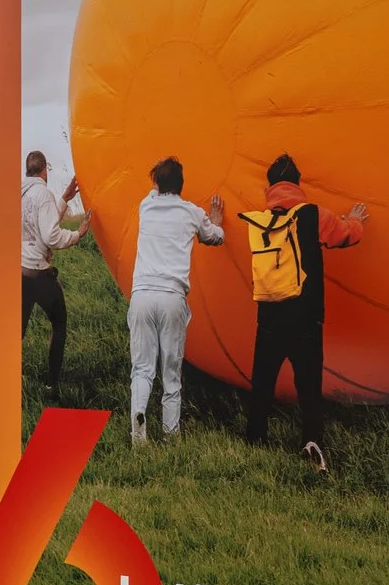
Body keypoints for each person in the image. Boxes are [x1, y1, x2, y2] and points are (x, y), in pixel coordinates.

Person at [239, 154, 366, 472]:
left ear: (270, 188)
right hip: (305, 314)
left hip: (268, 313)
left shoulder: (261, 222)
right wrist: (355, 219)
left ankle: (255, 438)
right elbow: (345, 236)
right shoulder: (311, 214)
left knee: (263, 380)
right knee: (308, 383)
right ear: (297, 183)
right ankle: (311, 441)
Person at [127, 156, 226, 443]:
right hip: (172, 296)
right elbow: (215, 238)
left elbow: (154, 187)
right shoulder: (191, 213)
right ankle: (171, 435)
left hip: (142, 294)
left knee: (142, 367)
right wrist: (216, 222)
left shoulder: (146, 206)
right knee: (171, 371)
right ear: (182, 185)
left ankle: (138, 422)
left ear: (157, 183)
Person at [20, 150, 86, 402]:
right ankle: (51, 383)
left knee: (18, 332)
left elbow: (39, 223)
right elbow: (50, 236)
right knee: (59, 322)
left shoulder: (20, 193)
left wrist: (65, 199)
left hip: (19, 272)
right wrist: (77, 235)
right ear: (45, 169)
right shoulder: (42, 193)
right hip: (38, 272)